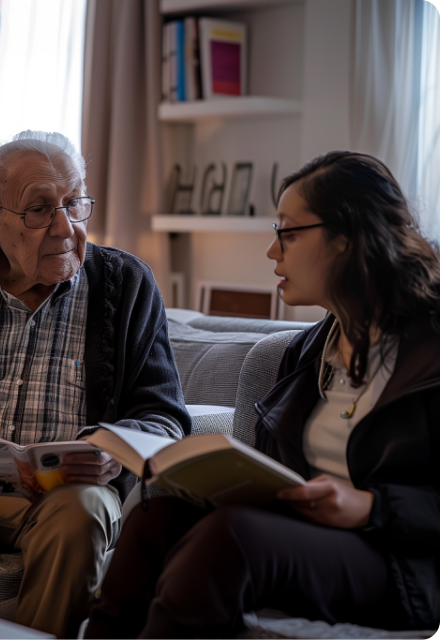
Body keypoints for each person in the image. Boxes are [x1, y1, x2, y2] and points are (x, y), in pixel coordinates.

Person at [84, 150, 440, 638]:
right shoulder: (309, 352)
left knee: (234, 537)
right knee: (155, 514)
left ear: (346, 238)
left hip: (403, 563)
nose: (273, 252)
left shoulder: (432, 347)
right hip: (316, 537)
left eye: (287, 234)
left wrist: (372, 507)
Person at [0, 130, 190, 639]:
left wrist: (114, 451)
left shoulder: (127, 283)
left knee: (83, 513)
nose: (65, 227)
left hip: (65, 495)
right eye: (40, 209)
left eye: (74, 203)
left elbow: (165, 415)